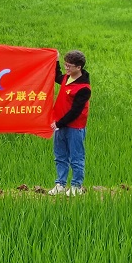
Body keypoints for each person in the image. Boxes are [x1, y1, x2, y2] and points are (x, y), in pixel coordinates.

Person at [49, 51, 91, 196]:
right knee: (60, 156)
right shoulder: (67, 78)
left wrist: (59, 123)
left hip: (74, 127)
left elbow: (75, 112)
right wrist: (55, 61)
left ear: (78, 67)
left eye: (69, 66)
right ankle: (60, 184)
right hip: (59, 124)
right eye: (65, 64)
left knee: (76, 157)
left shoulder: (84, 88)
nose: (66, 68)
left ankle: (76, 186)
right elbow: (56, 76)